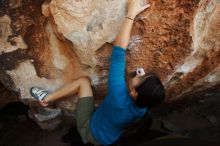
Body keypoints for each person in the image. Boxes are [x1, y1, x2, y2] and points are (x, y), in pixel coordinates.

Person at [30, 0, 165, 145]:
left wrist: (131, 14)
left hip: (89, 130)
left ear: (134, 93)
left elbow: (119, 50)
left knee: (83, 82)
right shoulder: (143, 108)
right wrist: (135, 79)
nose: (140, 73)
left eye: (142, 78)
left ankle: (47, 98)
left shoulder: (118, 94)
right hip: (108, 139)